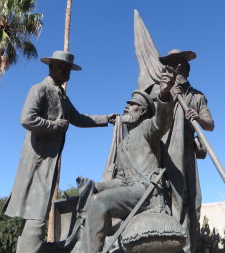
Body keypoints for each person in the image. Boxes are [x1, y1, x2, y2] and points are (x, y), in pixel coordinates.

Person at [3, 50, 117, 253]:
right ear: (51, 67)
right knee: (35, 211)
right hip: (37, 159)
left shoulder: (62, 96)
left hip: (49, 161)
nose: (66, 71)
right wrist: (53, 125)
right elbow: (27, 118)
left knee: (39, 209)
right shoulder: (40, 89)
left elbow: (79, 119)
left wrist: (106, 119)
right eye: (62, 67)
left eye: (68, 68)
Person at [80, 66, 177, 253]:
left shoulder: (146, 129)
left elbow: (162, 123)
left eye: (132, 104)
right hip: (132, 192)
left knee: (100, 202)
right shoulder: (124, 144)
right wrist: (95, 185)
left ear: (141, 111)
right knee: (94, 199)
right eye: (127, 103)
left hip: (148, 192)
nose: (126, 106)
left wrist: (164, 95)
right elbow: (121, 180)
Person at [159, 49, 215, 253]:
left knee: (193, 200)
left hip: (187, 153)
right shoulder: (162, 90)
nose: (179, 67)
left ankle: (190, 246)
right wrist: (165, 93)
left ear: (187, 68)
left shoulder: (197, 96)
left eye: (182, 63)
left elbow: (210, 124)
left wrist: (197, 118)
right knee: (170, 199)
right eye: (174, 63)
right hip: (164, 151)